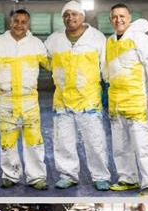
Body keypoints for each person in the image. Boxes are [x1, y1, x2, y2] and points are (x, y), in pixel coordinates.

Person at [45, 1, 112, 191]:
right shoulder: (54, 39)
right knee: (63, 141)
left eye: (74, 14)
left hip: (89, 99)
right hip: (62, 100)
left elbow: (105, 66)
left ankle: (100, 176)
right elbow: (45, 59)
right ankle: (68, 175)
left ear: (82, 17)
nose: (70, 18)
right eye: (66, 15)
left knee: (95, 140)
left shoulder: (97, 38)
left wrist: (108, 88)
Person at [104, 3, 148, 197]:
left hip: (138, 100)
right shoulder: (110, 41)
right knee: (120, 146)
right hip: (117, 102)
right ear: (110, 20)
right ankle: (128, 179)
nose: (118, 20)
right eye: (114, 17)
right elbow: (107, 71)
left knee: (143, 145)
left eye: (122, 16)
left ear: (129, 18)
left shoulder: (140, 38)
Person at [0, 9, 50, 191]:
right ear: (11, 23)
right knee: (7, 140)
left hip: (29, 101)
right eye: (16, 21)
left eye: (24, 22)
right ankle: (10, 175)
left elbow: (52, 65)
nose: (19, 25)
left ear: (28, 24)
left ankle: (37, 177)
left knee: (34, 140)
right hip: (6, 100)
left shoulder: (36, 44)